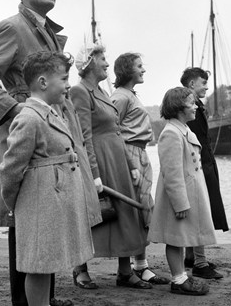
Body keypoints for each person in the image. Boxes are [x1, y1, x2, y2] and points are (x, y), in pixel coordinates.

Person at [0, 0, 101, 306]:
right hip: (31, 140)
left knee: (49, 224)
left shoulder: (47, 32)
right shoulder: (12, 28)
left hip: (56, 137)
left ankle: (46, 300)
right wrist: (15, 111)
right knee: (26, 225)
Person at [0, 51, 94, 306]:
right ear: (43, 83)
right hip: (39, 205)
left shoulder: (51, 113)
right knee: (38, 266)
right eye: (63, 79)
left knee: (44, 265)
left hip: (51, 205)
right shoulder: (29, 118)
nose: (68, 84)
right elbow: (10, 169)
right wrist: (17, 206)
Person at [70, 45, 153, 290]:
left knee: (126, 213)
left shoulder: (104, 92)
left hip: (117, 159)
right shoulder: (80, 91)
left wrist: (131, 166)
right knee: (93, 215)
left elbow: (117, 131)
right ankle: (80, 269)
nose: (107, 64)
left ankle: (125, 272)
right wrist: (94, 174)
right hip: (100, 160)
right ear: (89, 63)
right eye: (103, 59)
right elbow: (83, 137)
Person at [148, 87, 217, 296]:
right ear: (179, 108)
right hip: (178, 197)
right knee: (175, 237)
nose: (196, 106)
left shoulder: (184, 129)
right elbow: (172, 173)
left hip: (189, 194)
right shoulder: (171, 133)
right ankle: (178, 278)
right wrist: (180, 203)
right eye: (191, 103)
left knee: (181, 236)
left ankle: (182, 275)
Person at [110, 52, 169, 285]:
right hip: (130, 153)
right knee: (136, 208)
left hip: (140, 152)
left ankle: (140, 265)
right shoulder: (120, 97)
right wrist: (128, 161)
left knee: (144, 208)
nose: (144, 69)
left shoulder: (130, 95)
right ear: (127, 70)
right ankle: (137, 267)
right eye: (139, 66)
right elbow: (112, 130)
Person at [180, 67, 228, 280]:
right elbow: (195, 140)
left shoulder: (195, 105)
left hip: (204, 162)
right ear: (191, 84)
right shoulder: (190, 107)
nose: (207, 86)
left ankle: (191, 256)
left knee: (201, 209)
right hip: (199, 164)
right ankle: (200, 262)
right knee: (200, 210)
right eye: (203, 82)